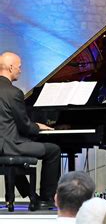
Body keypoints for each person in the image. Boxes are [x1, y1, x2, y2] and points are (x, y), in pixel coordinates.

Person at [0, 51, 60, 208]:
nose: (20, 70)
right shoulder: (13, 93)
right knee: (53, 150)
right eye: (19, 67)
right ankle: (46, 199)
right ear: (11, 67)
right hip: (9, 145)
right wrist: (38, 127)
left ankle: (30, 194)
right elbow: (24, 126)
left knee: (17, 155)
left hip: (3, 144)